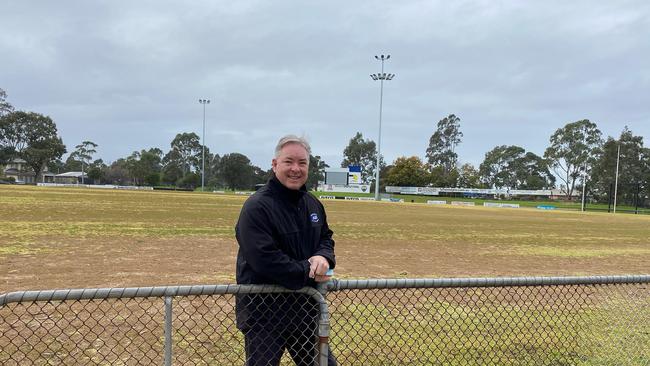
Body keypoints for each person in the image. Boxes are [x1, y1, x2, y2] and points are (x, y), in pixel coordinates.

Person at [235, 134, 337, 366]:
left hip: (304, 310)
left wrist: (323, 256)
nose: (295, 169)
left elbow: (326, 238)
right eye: (288, 162)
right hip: (264, 314)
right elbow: (263, 259)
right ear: (274, 164)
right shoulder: (257, 207)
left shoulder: (312, 204)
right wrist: (308, 271)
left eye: (302, 163)